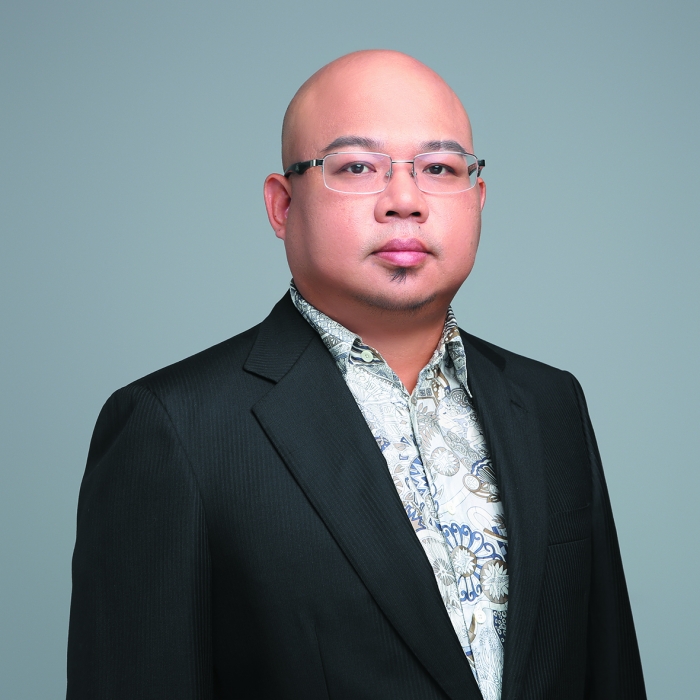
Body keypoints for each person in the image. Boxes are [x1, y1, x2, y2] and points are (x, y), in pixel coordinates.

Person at [67, 50, 646, 700]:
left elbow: (609, 673)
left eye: (439, 168)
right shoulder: (175, 430)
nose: (405, 201)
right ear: (282, 205)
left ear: (478, 198)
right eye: (357, 167)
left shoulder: (550, 403)